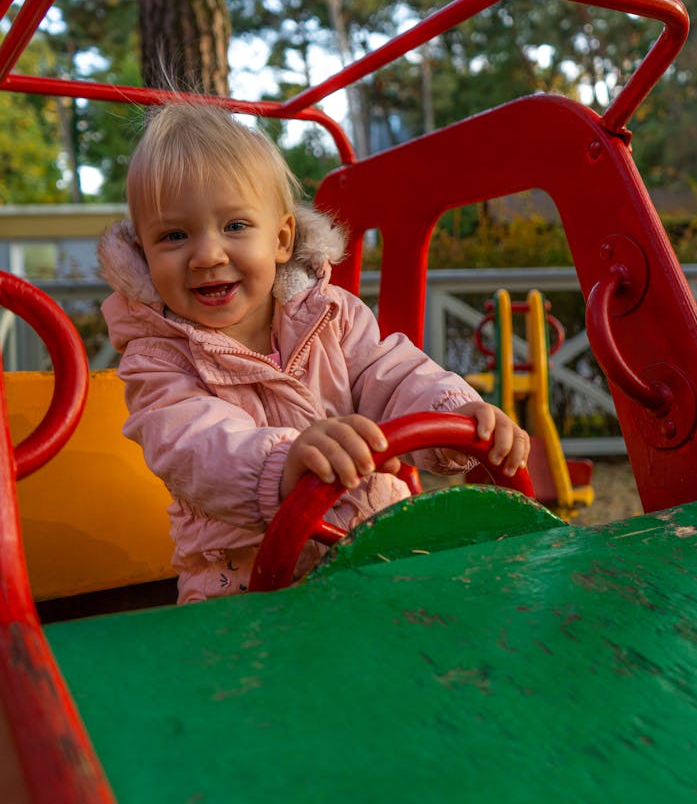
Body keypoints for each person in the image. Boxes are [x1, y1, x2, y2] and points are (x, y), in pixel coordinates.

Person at [98, 102, 530, 603]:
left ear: (281, 239)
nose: (208, 255)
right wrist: (281, 466)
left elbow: (391, 372)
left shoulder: (331, 315)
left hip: (376, 555)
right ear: (146, 258)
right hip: (246, 585)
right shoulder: (158, 359)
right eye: (174, 236)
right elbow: (191, 444)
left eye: (235, 226)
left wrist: (454, 412)